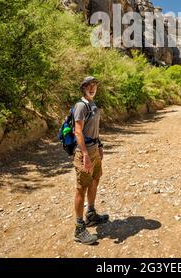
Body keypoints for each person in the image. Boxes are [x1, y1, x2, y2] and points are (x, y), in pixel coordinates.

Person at [73, 76, 109, 244]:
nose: (92, 88)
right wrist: (86, 155)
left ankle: (91, 214)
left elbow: (93, 129)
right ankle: (79, 229)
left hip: (94, 149)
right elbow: (78, 132)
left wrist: (99, 145)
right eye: (89, 85)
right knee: (81, 188)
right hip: (84, 153)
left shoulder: (92, 104)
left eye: (94, 85)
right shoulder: (81, 106)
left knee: (95, 180)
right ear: (83, 88)